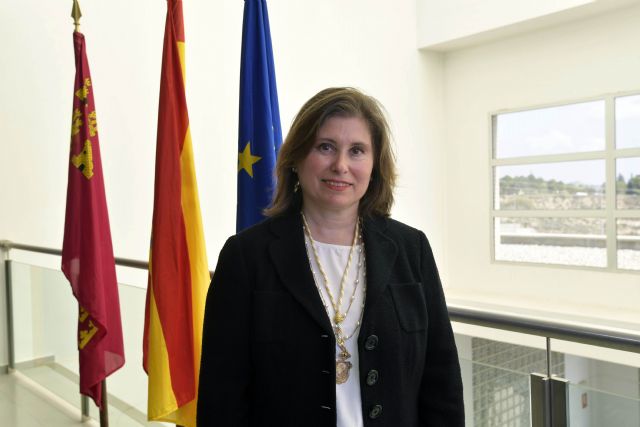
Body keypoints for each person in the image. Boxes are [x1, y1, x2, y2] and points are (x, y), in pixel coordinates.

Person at [197, 87, 464, 426]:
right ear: (296, 158)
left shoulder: (413, 249)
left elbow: (442, 382)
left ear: (375, 165)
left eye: (357, 151)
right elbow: (222, 395)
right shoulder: (246, 257)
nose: (340, 165)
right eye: (325, 147)